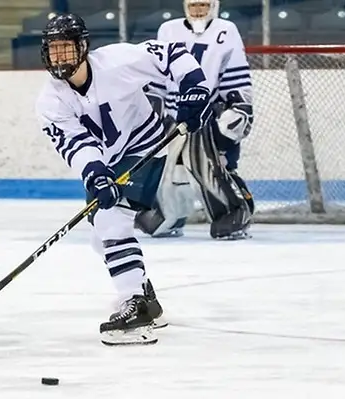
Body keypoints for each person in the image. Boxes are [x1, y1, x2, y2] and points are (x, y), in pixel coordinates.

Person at [34, 12, 214, 345]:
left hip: (145, 147)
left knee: (111, 220)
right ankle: (145, 296)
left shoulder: (118, 61)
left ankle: (135, 305)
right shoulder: (49, 101)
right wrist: (95, 175)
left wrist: (194, 87)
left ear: (83, 47)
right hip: (108, 160)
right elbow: (75, 144)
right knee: (99, 237)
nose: (59, 57)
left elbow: (173, 52)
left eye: (66, 48)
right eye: (53, 49)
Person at [137, 0, 255, 240]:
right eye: (193, 5)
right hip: (172, 116)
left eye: (203, 5)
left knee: (208, 169)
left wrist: (239, 109)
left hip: (204, 116)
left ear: (214, 6)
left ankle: (233, 213)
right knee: (164, 172)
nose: (198, 10)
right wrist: (149, 108)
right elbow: (158, 74)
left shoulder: (226, 30)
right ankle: (167, 216)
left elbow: (236, 78)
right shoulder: (168, 30)